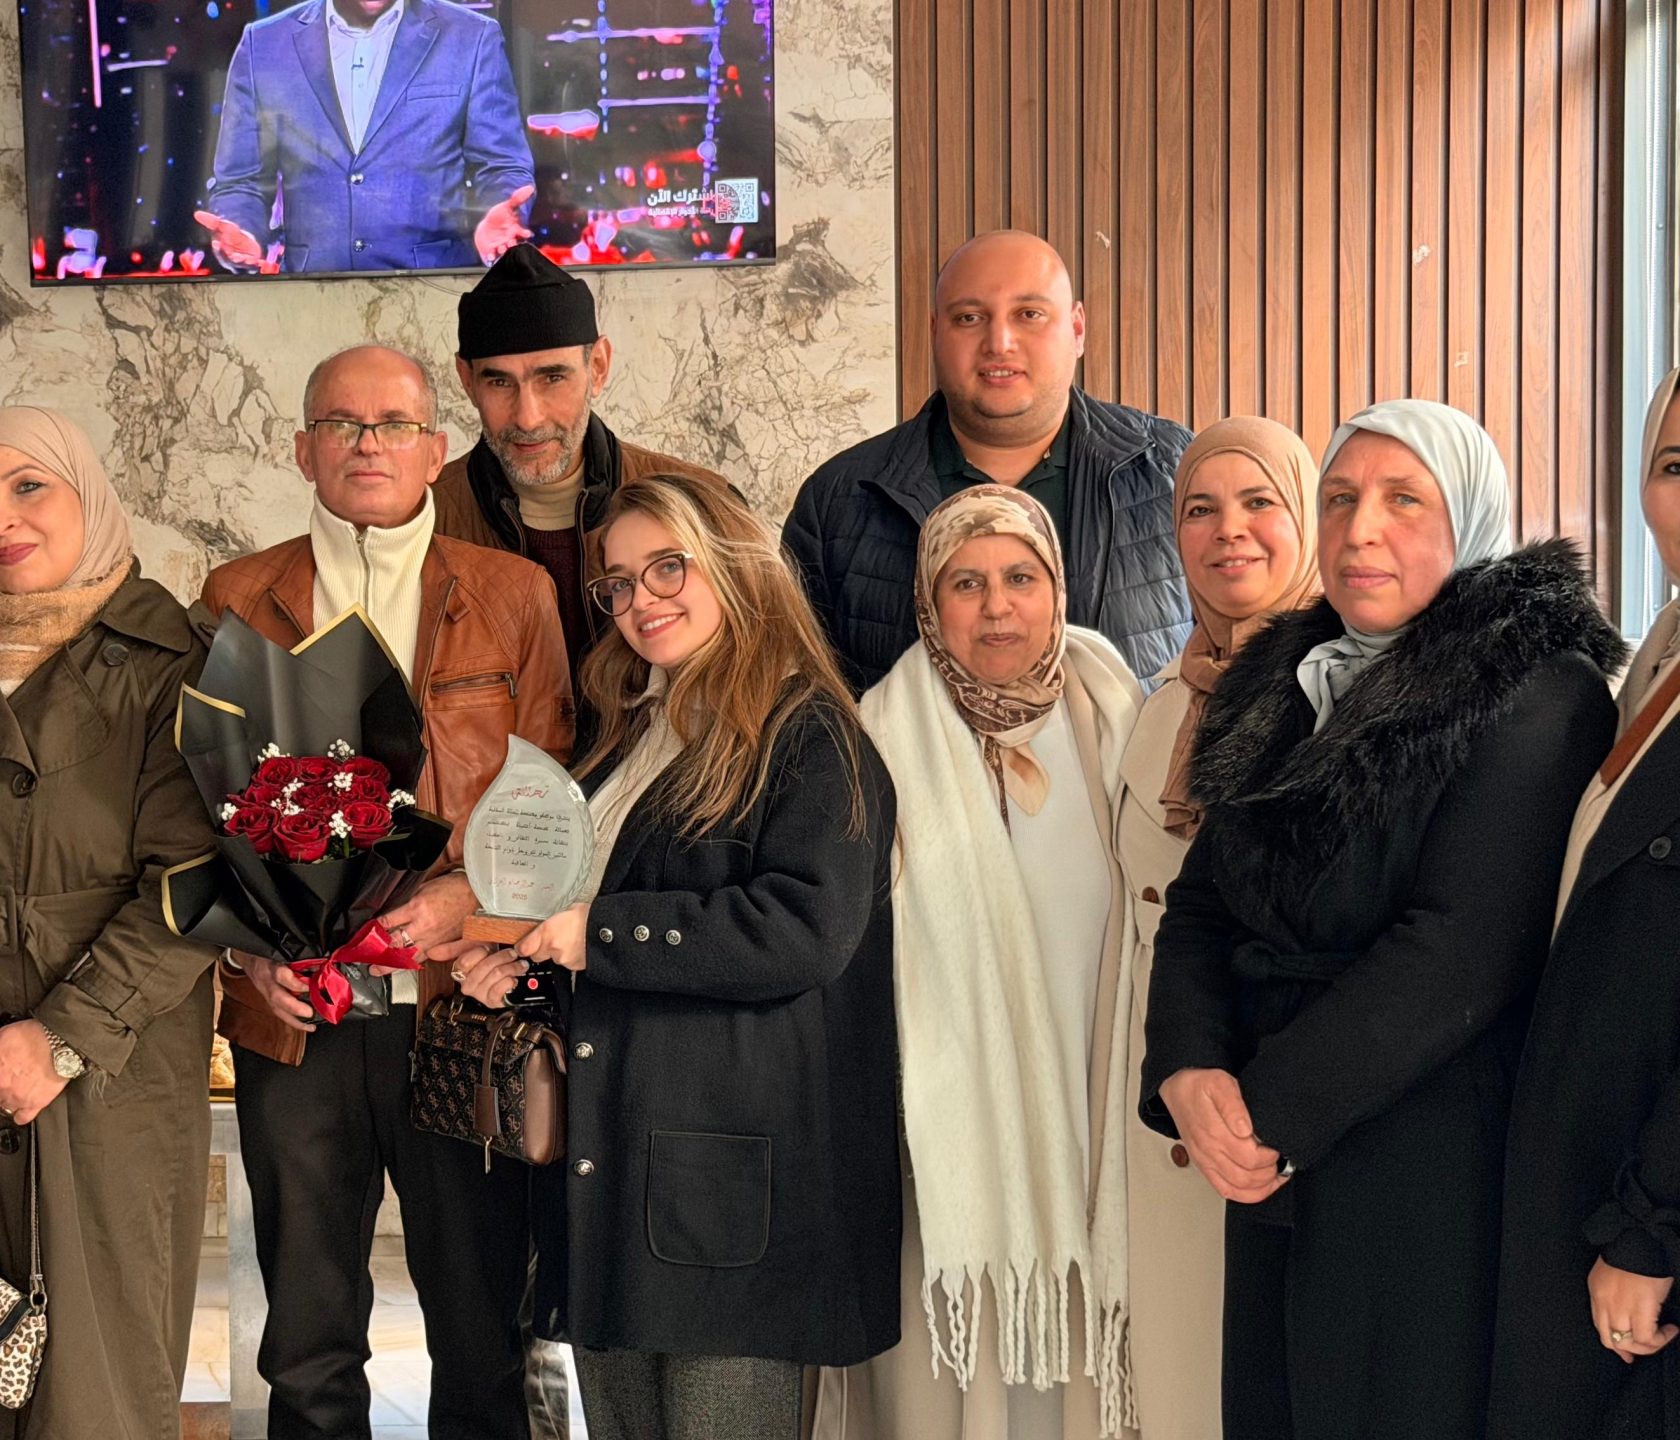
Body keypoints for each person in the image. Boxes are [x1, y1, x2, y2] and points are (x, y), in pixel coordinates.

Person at [1139, 399, 1621, 1440]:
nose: (1360, 531)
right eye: (1341, 498)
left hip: (1422, 1155)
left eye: (1404, 500)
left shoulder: (1540, 689)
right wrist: (1187, 1066)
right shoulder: (1282, 677)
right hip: (1268, 1146)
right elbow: (1203, 900)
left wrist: (1264, 1113)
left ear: (1470, 515)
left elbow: (1457, 952)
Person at [452, 472, 901, 1440]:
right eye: (617, 583)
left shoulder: (808, 734)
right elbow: (590, 918)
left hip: (734, 1199)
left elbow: (805, 929)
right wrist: (526, 968)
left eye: (667, 567)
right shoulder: (632, 732)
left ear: (735, 564)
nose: (639, 601)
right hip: (612, 1171)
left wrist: (598, 935)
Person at [198, 342, 574, 1439]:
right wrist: (248, 951)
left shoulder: (512, 594)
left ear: (436, 447)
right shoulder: (236, 595)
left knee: (480, 1330)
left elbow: (557, 797)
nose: (368, 444)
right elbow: (199, 799)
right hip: (298, 1020)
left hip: (458, 1004)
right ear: (302, 448)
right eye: (342, 423)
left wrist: (465, 904)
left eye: (394, 424)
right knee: (305, 1341)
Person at [0, 406, 219, 1438]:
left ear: (87, 493)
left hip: (105, 1069)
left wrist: (61, 1039)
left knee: (93, 1380)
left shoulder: (180, 658)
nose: (0, 522)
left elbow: (193, 883)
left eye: (28, 488)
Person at [847, 484, 1141, 1440]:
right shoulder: (880, 735)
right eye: (966, 584)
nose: (998, 607)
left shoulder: (1114, 711)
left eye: (1021, 578)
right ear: (929, 605)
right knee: (956, 1383)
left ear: (1058, 588)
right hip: (949, 1117)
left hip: (1094, 1085)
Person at [1105, 417, 1318, 1438]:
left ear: (1307, 518)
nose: (1228, 530)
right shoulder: (1156, 709)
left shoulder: (1344, 696)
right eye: (1200, 509)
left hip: (1273, 1117)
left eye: (1258, 502)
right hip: (1161, 1112)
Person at [1490, 366, 1680, 1438]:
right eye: (1674, 464)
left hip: (1645, 1208)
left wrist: (1653, 1226)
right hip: (1587, 1158)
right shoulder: (1653, 653)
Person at [782, 230, 1192, 691]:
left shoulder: (1174, 469)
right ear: (935, 332)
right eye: (970, 317)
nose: (999, 342)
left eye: (1029, 314)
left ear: (1077, 329)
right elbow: (801, 700)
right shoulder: (837, 500)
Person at [434, 243, 728, 708]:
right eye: (499, 382)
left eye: (552, 378)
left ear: (598, 367)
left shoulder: (698, 503)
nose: (528, 417)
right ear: (467, 381)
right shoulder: (424, 521)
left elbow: (759, 663)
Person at [195, 0, 533, 274]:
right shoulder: (264, 44)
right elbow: (242, 181)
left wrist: (495, 215)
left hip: (435, 294)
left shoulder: (471, 37)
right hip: (308, 297)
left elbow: (500, 164)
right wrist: (242, 231)